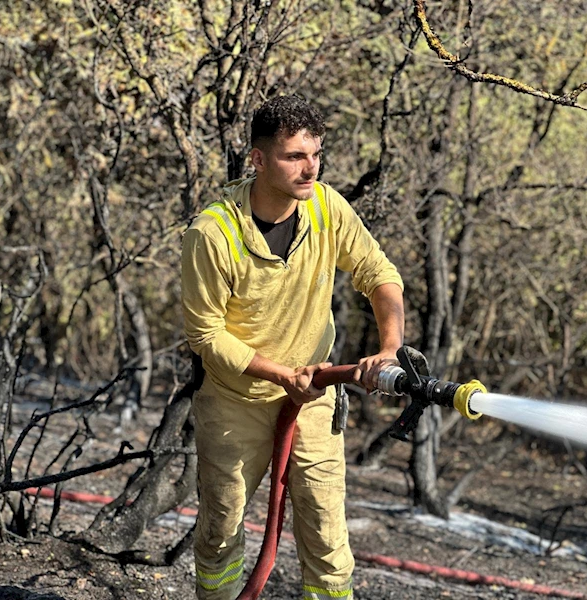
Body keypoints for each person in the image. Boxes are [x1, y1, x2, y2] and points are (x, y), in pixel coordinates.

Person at [181, 94, 405, 600]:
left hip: (314, 397)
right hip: (237, 403)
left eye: (316, 154)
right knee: (220, 530)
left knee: (328, 537)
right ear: (258, 159)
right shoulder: (212, 234)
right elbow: (206, 334)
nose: (310, 169)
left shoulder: (326, 206)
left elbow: (379, 275)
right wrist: (281, 376)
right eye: (294, 157)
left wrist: (390, 349)